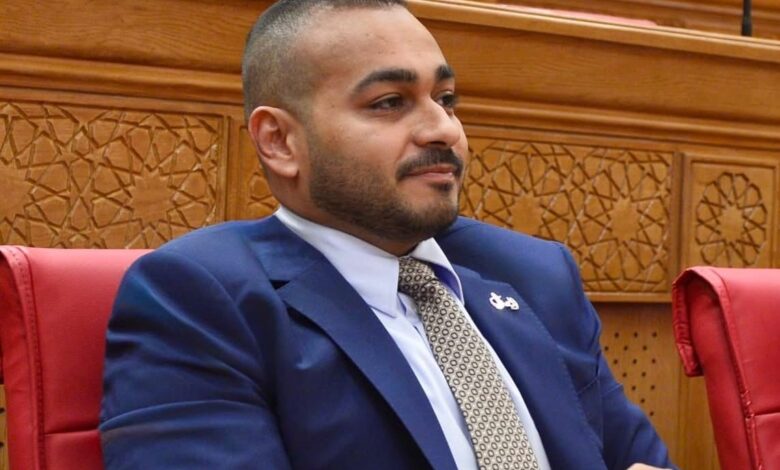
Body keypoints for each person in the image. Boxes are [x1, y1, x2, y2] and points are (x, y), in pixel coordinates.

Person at [99, 1, 675, 469]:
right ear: (279, 141)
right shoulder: (201, 299)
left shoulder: (534, 273)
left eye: (445, 99)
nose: (443, 129)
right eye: (389, 103)